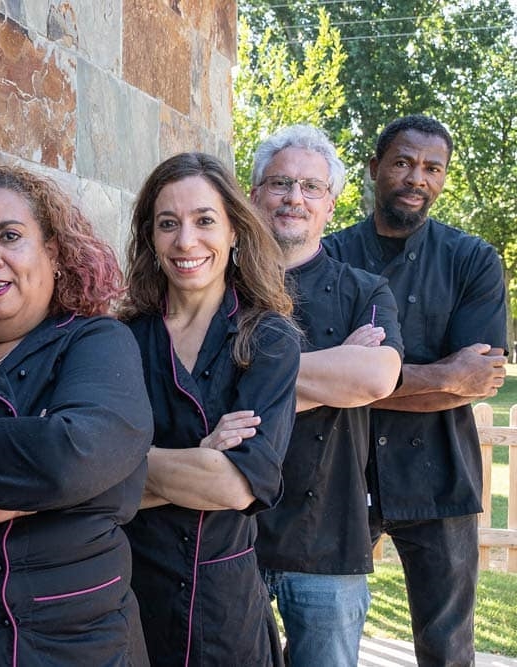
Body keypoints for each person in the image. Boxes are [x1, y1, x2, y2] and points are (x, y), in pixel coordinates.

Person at [0, 164, 154, 665]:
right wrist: (47, 488)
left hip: (83, 642)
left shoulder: (98, 342)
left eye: (9, 236)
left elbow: (74, 457)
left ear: (53, 252)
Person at [324, 114, 508, 667]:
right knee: (322, 632)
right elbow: (315, 377)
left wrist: (357, 379)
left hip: (440, 473)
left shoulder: (472, 260)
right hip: (339, 470)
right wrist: (446, 374)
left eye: (433, 168)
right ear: (374, 167)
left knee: (447, 646)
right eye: (403, 162)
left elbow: (479, 380)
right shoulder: (327, 257)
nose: (416, 178)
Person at [121, 152, 299, 666]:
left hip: (224, 612)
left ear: (234, 230)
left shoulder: (269, 340)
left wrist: (126, 466)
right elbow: (84, 483)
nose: (185, 241)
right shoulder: (119, 339)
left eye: (204, 221)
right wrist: (200, 456)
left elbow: (237, 485)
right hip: (128, 593)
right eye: (168, 224)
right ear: (150, 238)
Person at [249, 125, 403, 666]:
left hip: (329, 539)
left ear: (330, 205)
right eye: (280, 183)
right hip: (230, 534)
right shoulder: (220, 284)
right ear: (254, 195)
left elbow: (376, 379)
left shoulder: (366, 289)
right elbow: (202, 389)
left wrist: (249, 378)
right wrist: (334, 371)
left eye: (311, 187)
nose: (295, 198)